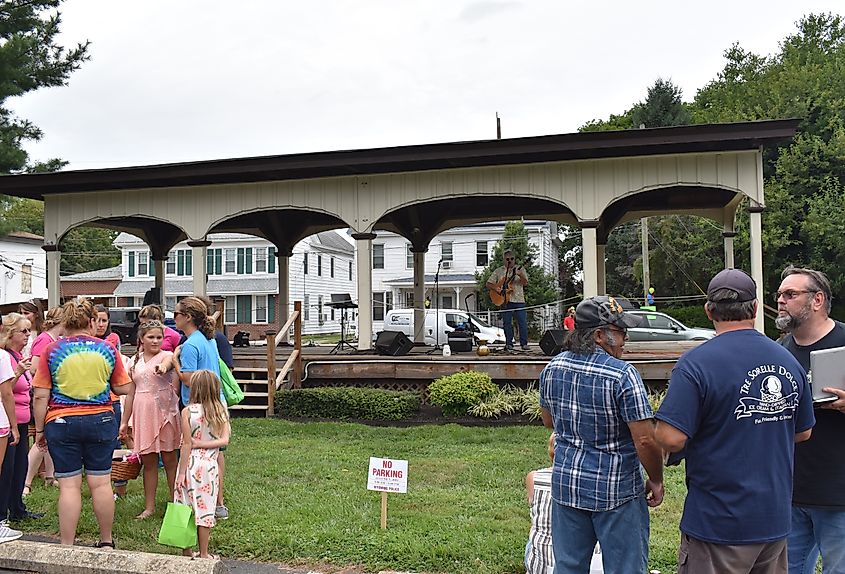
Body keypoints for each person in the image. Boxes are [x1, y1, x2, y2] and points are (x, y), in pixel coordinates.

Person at [655, 268, 815, 574]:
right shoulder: (787, 360)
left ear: (708, 310)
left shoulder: (696, 364)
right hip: (774, 520)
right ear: (755, 309)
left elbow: (672, 438)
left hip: (718, 524)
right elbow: (804, 431)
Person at [539, 296, 663, 573]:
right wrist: (655, 478)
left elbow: (549, 421)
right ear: (598, 335)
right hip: (616, 491)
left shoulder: (553, 367)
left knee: (569, 567)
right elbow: (644, 440)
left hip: (568, 485)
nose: (625, 339)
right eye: (620, 332)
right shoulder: (623, 375)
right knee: (625, 568)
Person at [32, 298, 134, 547]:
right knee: (101, 483)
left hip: (61, 420)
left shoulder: (52, 350)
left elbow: (40, 394)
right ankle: (106, 541)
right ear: (91, 321)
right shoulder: (107, 349)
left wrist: (40, 429)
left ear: (65, 322)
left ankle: (67, 545)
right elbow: (122, 387)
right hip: (101, 419)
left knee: (69, 486)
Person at [773, 266, 845, 574]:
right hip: (791, 490)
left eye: (790, 294)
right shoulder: (777, 352)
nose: (780, 301)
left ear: (817, 300)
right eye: (778, 295)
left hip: (839, 493)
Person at [172, 296, 228, 520]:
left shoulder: (190, 344)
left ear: (187, 317)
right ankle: (218, 502)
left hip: (197, 405)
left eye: (176, 314)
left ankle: (194, 497)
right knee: (215, 454)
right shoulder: (208, 339)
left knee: (194, 451)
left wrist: (175, 361)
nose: (173, 318)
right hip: (217, 401)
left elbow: (188, 378)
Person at [127, 320, 181, 520]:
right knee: (148, 461)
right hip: (142, 411)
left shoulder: (167, 356)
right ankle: (149, 507)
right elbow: (131, 392)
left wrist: (163, 368)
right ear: (141, 339)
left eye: (159, 337)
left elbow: (167, 364)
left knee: (169, 459)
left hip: (164, 411)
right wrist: (126, 421)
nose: (156, 340)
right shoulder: (135, 360)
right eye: (151, 337)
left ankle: (177, 503)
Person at [175, 369, 230, 560]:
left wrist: (181, 473)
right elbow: (224, 441)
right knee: (205, 507)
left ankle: (187, 551)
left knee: (185, 505)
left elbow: (186, 444)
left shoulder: (188, 411)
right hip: (209, 466)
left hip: (190, 463)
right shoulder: (221, 410)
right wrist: (206, 445)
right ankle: (204, 553)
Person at [0, 314, 42, 525]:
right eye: (23, 331)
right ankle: (5, 511)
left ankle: (17, 507)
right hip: (9, 421)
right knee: (7, 468)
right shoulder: (5, 357)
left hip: (22, 419)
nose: (28, 335)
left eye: (29, 331)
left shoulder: (17, 356)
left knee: (19, 466)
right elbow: (5, 389)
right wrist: (17, 373)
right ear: (10, 334)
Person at [24, 306, 64, 496]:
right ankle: (26, 481)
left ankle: (50, 476)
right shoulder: (44, 340)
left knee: (49, 436)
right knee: (42, 439)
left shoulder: (53, 340)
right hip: (41, 392)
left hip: (49, 392)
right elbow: (33, 368)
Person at [486, 249, 529, 351]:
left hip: (518, 300)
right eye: (507, 259)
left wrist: (520, 275)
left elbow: (525, 282)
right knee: (507, 323)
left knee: (522, 322)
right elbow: (488, 283)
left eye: (512, 259)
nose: (510, 261)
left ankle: (524, 344)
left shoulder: (520, 269)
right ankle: (509, 343)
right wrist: (496, 288)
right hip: (505, 300)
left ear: (514, 259)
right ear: (504, 260)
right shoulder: (499, 271)